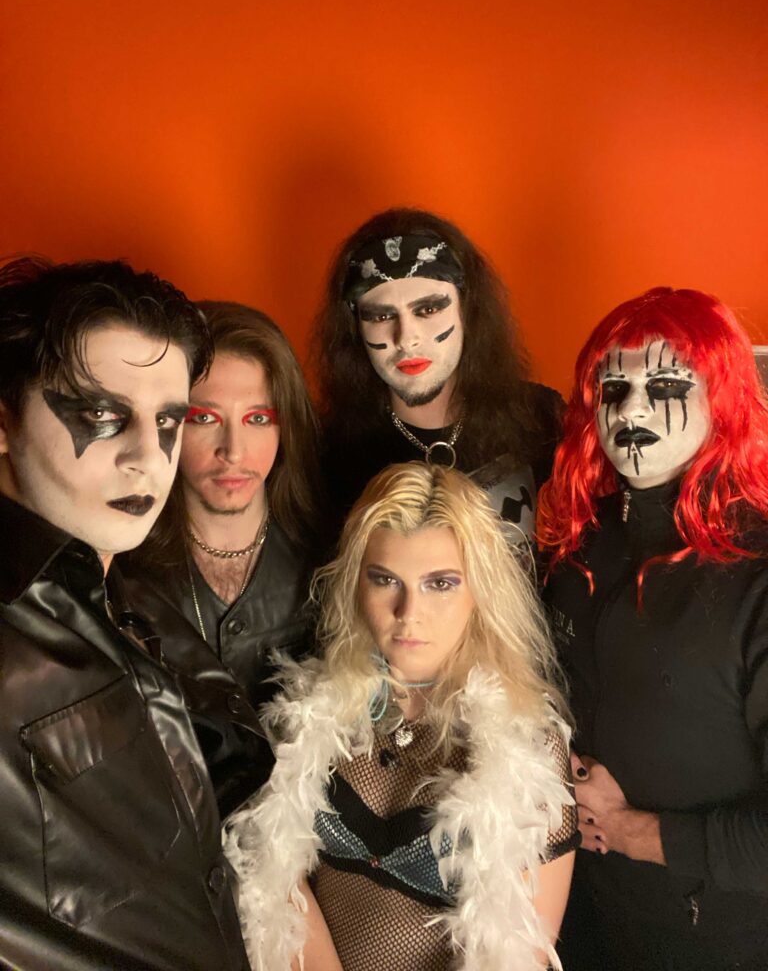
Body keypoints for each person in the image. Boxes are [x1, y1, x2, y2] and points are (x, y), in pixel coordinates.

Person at [0, 257, 252, 971]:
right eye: (102, 416)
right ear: (4, 422)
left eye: (169, 419)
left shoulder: (130, 587)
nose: (149, 457)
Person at [225, 462, 577, 971]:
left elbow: (515, 952)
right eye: (386, 579)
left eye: (440, 583)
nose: (409, 612)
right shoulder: (309, 712)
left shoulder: (527, 746)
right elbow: (274, 886)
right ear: (357, 582)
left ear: (480, 590)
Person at [537, 287, 768, 970]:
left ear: (723, 400)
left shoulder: (758, 574)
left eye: (665, 386)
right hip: (576, 922)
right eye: (614, 388)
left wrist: (634, 831)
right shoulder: (579, 548)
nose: (631, 409)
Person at [120, 301, 321, 814]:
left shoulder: (331, 555)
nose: (233, 450)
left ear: (285, 427)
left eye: (258, 418)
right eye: (204, 418)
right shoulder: (117, 563)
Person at [314, 207, 563, 543]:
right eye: (381, 316)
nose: (406, 338)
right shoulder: (330, 456)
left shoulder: (540, 420)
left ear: (467, 310)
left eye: (428, 309)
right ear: (355, 328)